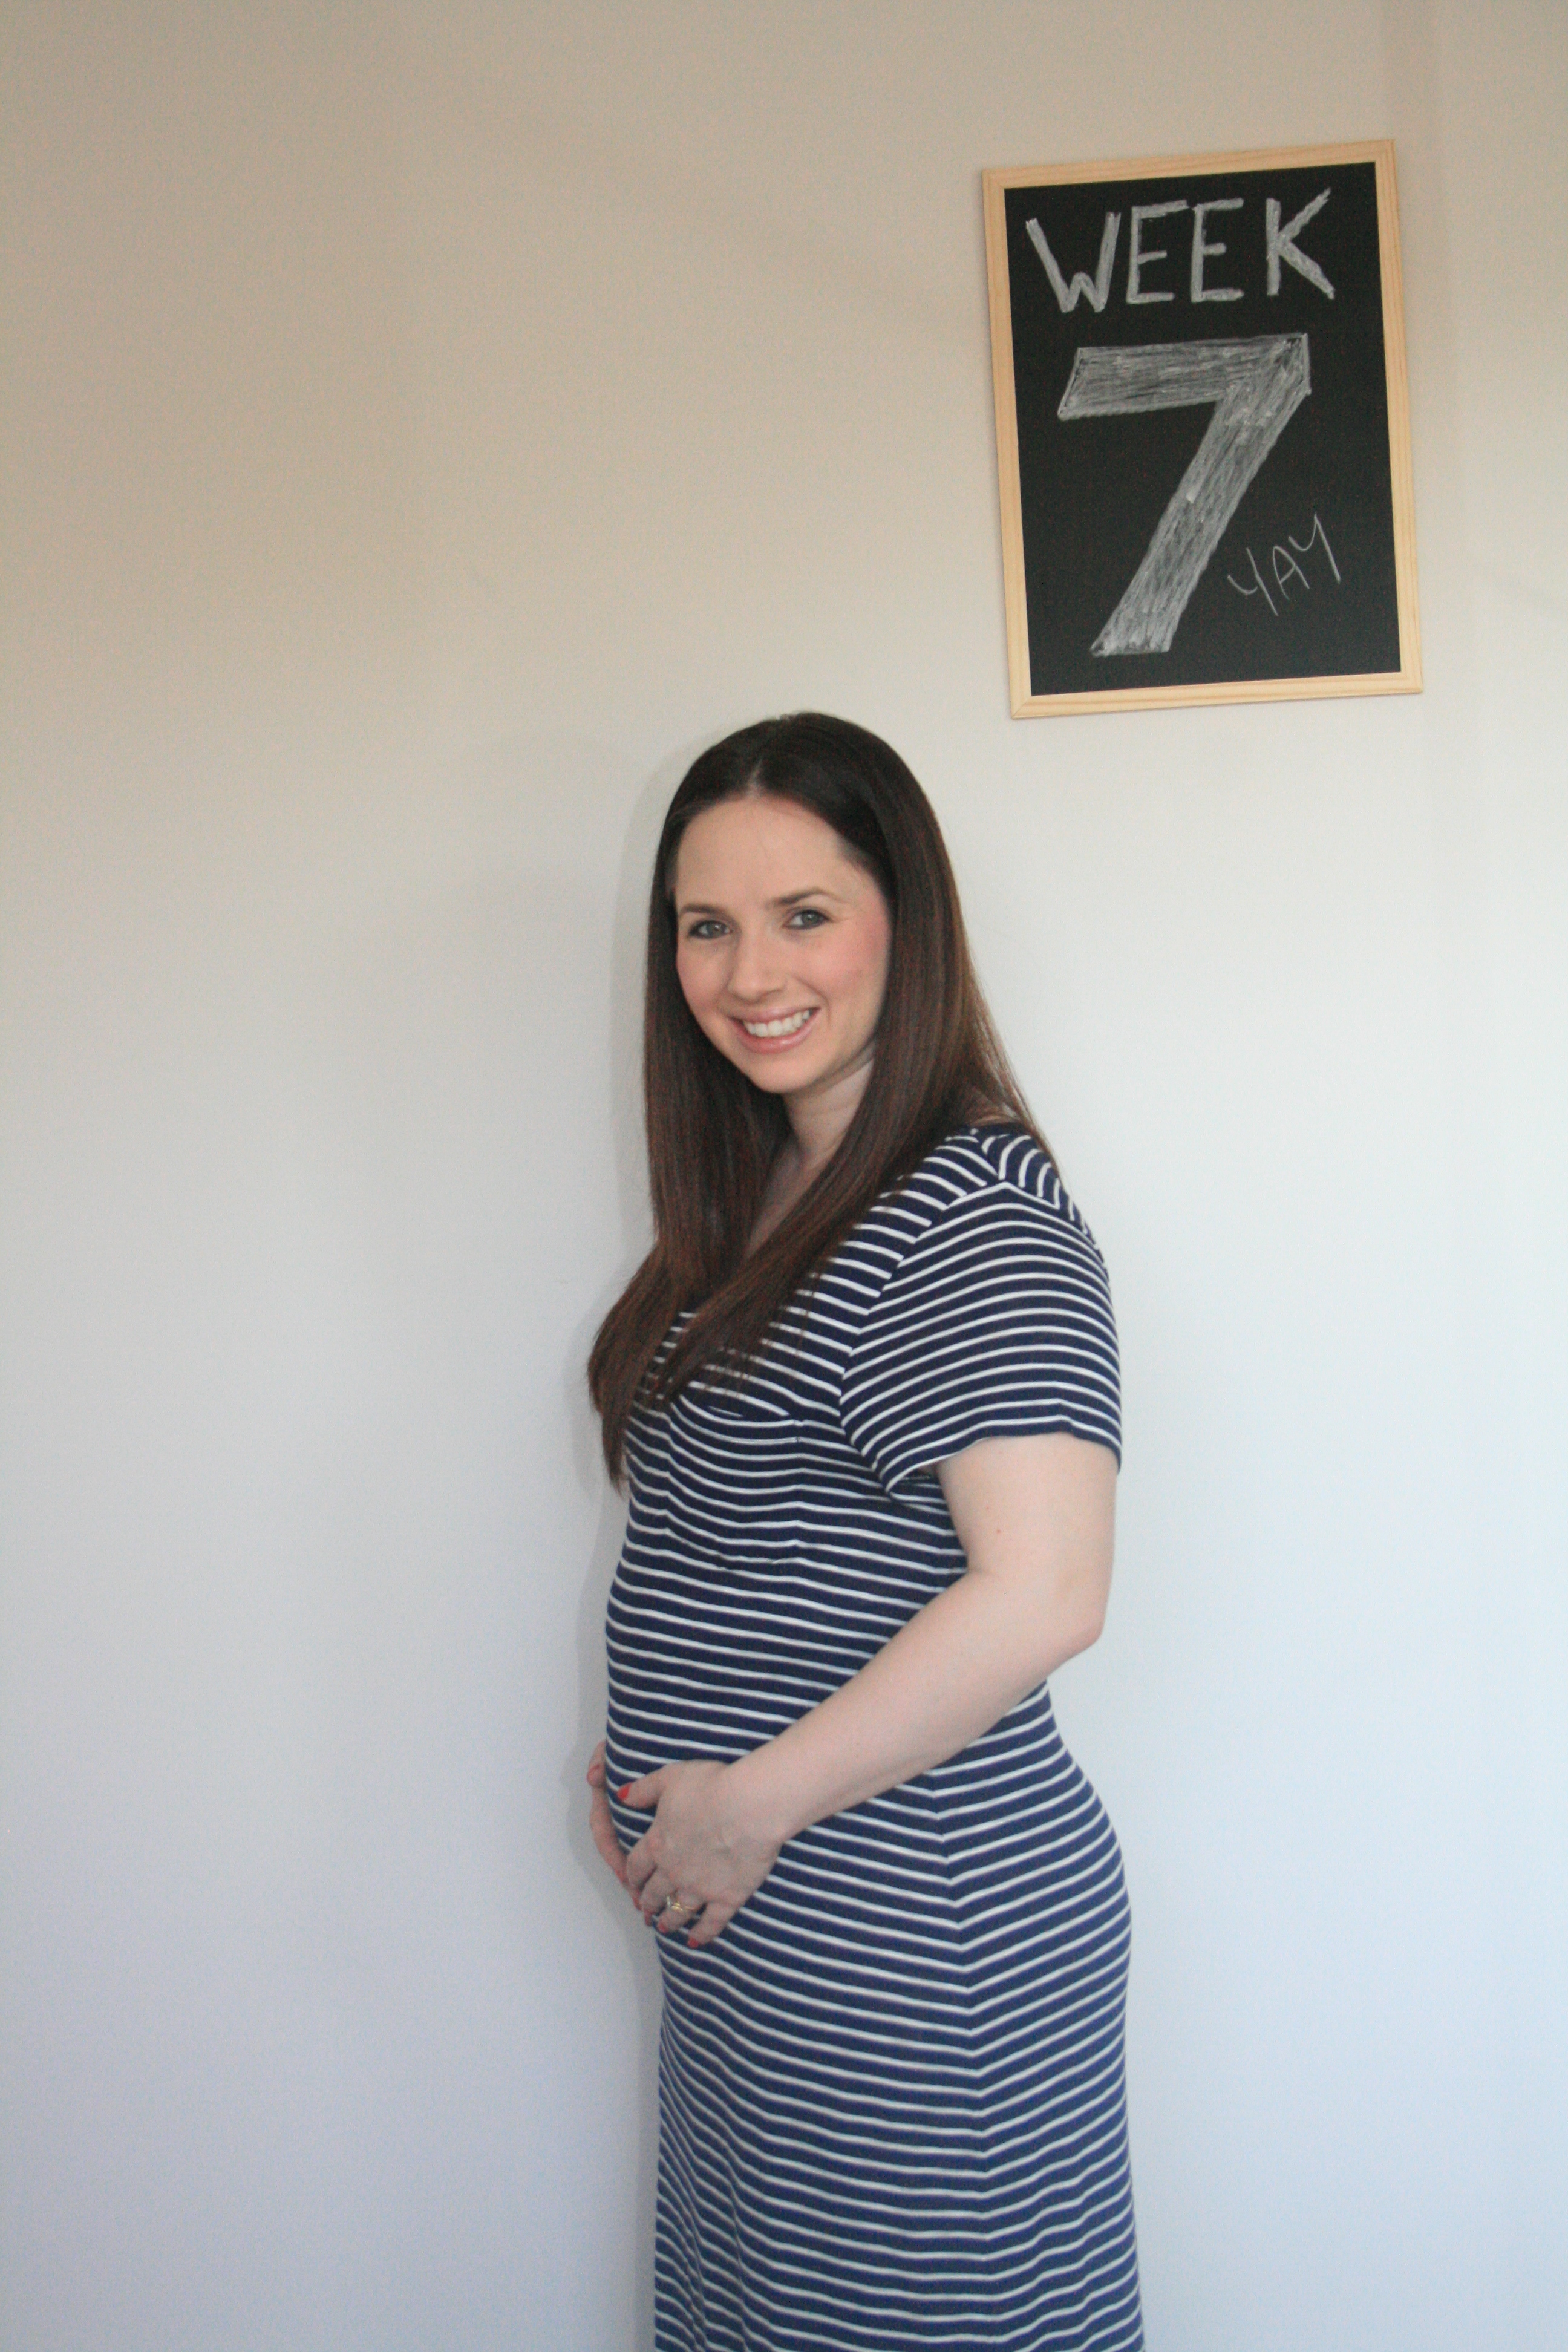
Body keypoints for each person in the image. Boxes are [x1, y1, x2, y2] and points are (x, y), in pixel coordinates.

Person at [584, 714, 1142, 2351]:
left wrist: (742, 1806)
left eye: (805, 915)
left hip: (910, 1939)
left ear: (911, 922)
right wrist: (672, 1790)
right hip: (778, 1930)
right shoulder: (777, 1193)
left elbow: (1047, 1591)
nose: (749, 973)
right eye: (707, 925)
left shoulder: (968, 1215)